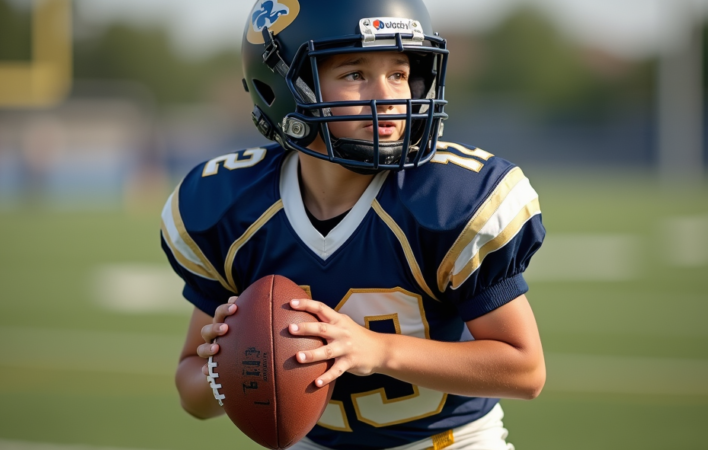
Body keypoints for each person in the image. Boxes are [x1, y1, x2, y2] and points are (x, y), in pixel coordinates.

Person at [160, 0, 546, 449]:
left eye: (399, 74)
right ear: (284, 86)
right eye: (355, 74)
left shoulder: (450, 199)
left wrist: (377, 350)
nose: (386, 95)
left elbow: (525, 370)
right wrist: (228, 367)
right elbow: (192, 394)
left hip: (449, 443)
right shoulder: (230, 207)